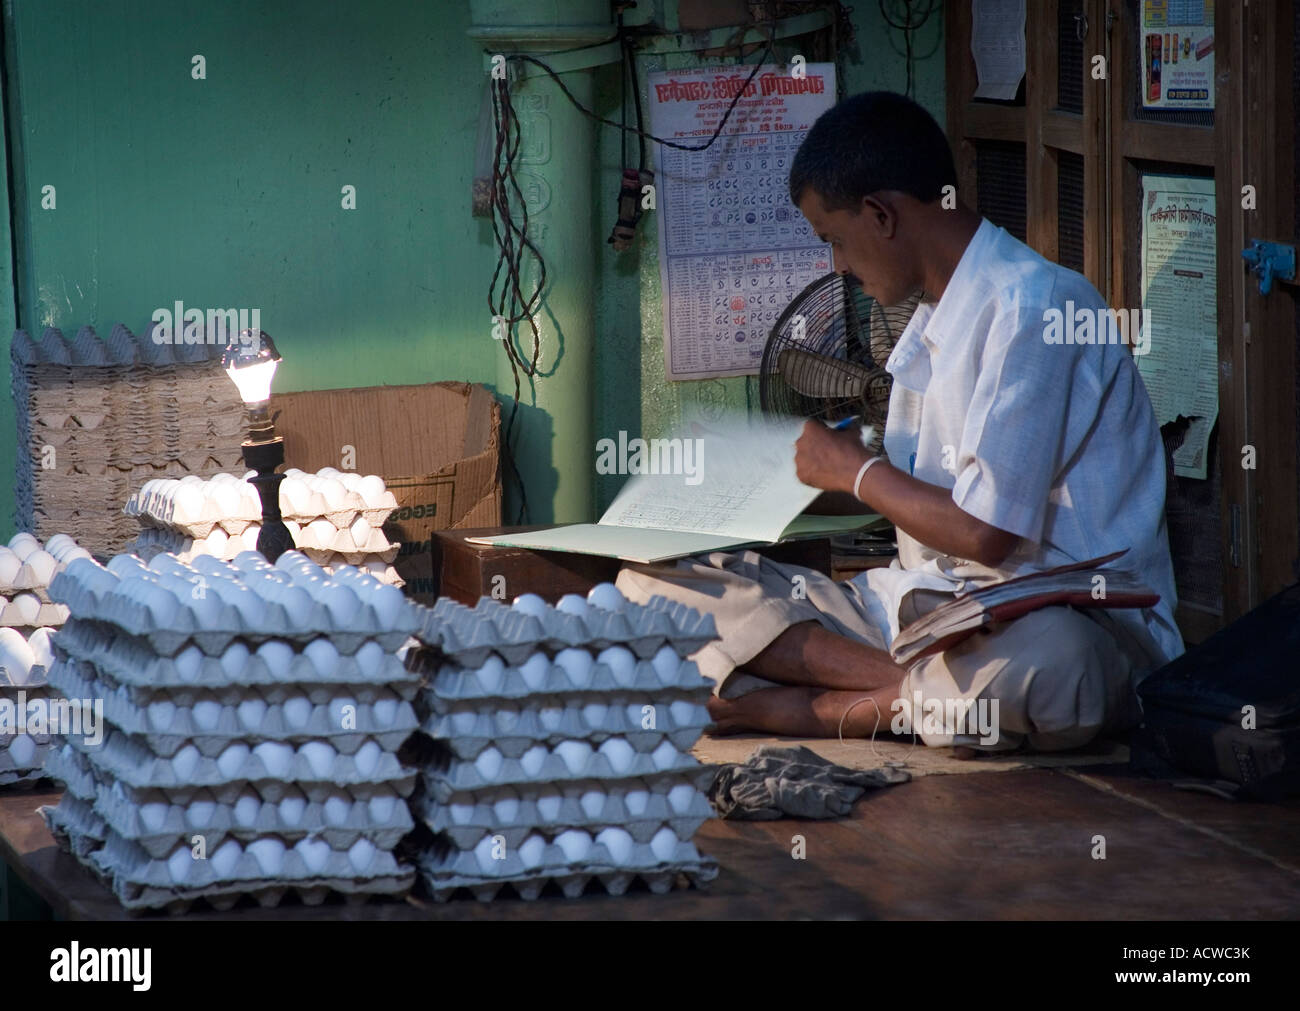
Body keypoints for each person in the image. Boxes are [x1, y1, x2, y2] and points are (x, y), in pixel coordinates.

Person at [615, 91, 1184, 751]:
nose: (839, 269)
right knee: (646, 584)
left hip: (1060, 624)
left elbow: (986, 531)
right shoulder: (927, 328)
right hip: (925, 619)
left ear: (882, 215)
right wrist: (767, 483)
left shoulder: (1037, 308)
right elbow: (913, 502)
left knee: (1050, 660)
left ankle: (826, 710)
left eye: (834, 240)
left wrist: (856, 470)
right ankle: (902, 693)